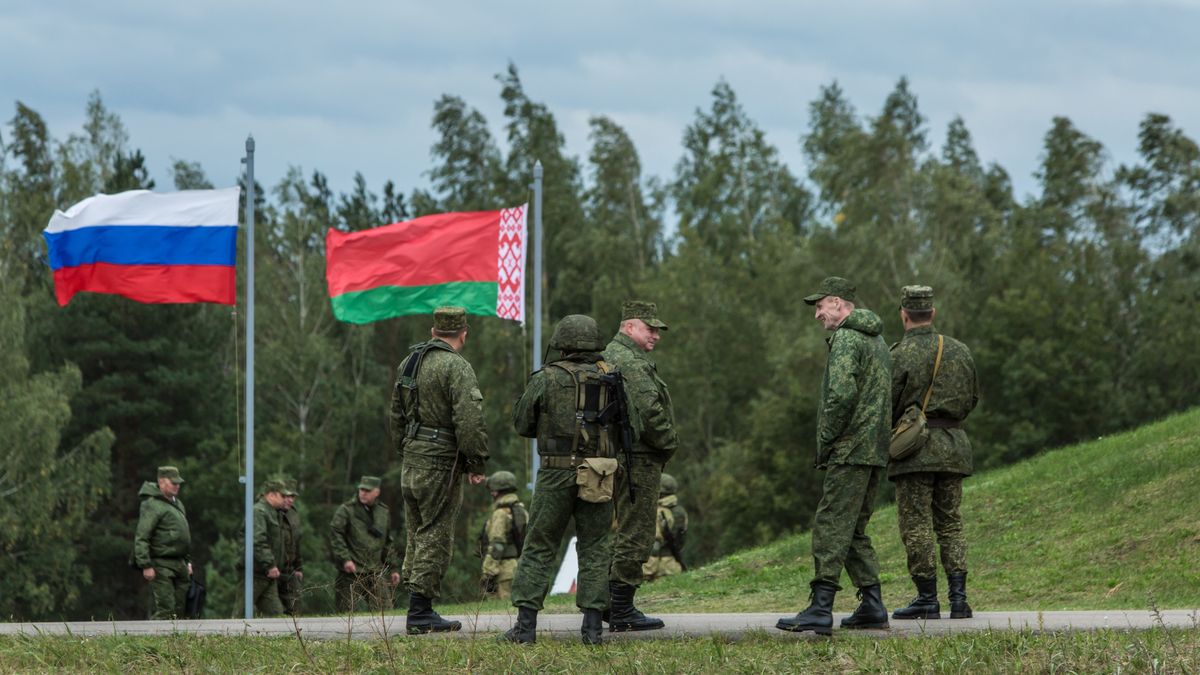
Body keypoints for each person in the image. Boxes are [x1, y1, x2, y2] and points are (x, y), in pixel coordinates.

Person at [503, 314, 636, 645]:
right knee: (595, 547)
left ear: (561, 343)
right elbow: (634, 428)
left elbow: (521, 423)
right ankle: (592, 630)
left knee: (539, 546)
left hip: (556, 471)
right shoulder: (612, 378)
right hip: (599, 474)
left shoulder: (546, 378)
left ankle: (525, 628)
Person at [778, 277, 891, 635]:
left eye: (820, 306)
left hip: (851, 447)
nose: (817, 315)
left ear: (839, 304)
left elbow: (841, 396)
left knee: (830, 524)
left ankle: (820, 607)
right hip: (875, 449)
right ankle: (872, 605)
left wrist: (826, 441)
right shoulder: (878, 340)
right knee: (854, 528)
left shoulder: (846, 337)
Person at [389, 306, 489, 634]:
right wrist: (476, 462)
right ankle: (420, 612)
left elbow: (396, 414)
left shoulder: (410, 362)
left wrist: (405, 448)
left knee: (416, 531)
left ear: (433, 332)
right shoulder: (456, 367)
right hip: (440, 462)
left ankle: (417, 605)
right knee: (436, 532)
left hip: (412, 458)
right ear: (464, 333)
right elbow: (470, 419)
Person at [889, 285, 980, 620]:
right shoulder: (959, 351)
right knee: (951, 523)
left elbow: (888, 403)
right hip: (954, 446)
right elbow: (972, 399)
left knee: (916, 524)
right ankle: (959, 599)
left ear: (903, 314)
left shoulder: (898, 354)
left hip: (915, 451)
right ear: (933, 313)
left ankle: (927, 598)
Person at [601, 300, 678, 632]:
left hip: (612, 456)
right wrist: (668, 442)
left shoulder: (605, 355)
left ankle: (606, 602)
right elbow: (649, 411)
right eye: (650, 328)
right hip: (638, 457)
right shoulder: (631, 362)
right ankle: (621, 609)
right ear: (628, 327)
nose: (656, 335)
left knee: (614, 530)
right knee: (637, 531)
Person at [329, 475, 402, 612]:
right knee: (345, 614)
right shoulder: (346, 510)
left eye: (367, 491)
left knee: (385, 613)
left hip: (375, 570)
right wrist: (345, 559)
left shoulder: (383, 511)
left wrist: (393, 568)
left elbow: (387, 542)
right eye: (361, 489)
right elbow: (336, 534)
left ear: (377, 492)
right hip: (352, 571)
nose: (363, 493)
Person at [133, 466, 193, 619]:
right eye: (173, 483)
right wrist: (145, 565)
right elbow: (142, 536)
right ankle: (151, 638)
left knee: (180, 610)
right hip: (161, 563)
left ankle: (177, 643)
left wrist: (188, 562)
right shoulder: (152, 504)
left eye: (178, 483)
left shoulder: (177, 504)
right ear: (161, 482)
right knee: (166, 610)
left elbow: (183, 536)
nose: (177, 485)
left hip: (180, 563)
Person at [479, 471, 527, 600]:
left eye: (493, 490)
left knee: (500, 613)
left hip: (502, 572)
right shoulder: (521, 510)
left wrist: (488, 572)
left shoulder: (500, 513)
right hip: (518, 568)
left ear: (497, 492)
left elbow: (497, 544)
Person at [642, 472, 688, 582]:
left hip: (654, 567)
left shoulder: (656, 511)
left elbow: (654, 545)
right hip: (673, 565)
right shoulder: (680, 511)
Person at [251, 479, 287, 617]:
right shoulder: (259, 511)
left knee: (277, 615)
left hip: (267, 574)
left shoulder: (273, 512)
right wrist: (270, 564)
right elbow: (258, 540)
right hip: (254, 572)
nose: (285, 499)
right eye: (282, 496)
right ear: (271, 495)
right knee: (241, 613)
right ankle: (228, 637)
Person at [277, 476, 304, 615]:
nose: (291, 500)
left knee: (295, 604)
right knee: (272, 610)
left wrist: (298, 567)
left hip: (289, 569)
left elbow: (296, 542)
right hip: (273, 569)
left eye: (293, 496)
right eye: (287, 496)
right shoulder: (269, 513)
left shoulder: (293, 514)